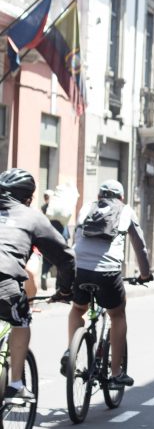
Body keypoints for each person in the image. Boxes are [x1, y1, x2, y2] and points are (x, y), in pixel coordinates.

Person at [63, 180, 152, 389]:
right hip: (108, 273)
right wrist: (145, 274)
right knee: (117, 314)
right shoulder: (126, 211)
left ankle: (71, 352)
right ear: (121, 198)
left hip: (80, 269)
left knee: (78, 308)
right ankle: (115, 374)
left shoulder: (87, 208)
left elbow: (76, 237)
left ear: (99, 196)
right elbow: (140, 247)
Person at [0, 169, 75, 402]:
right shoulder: (32, 217)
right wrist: (64, 290)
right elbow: (66, 258)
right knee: (21, 319)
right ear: (29, 198)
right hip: (4, 281)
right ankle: (15, 385)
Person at [40, 189, 69, 291]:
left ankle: (44, 274)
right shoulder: (60, 207)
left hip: (49, 236)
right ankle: (58, 286)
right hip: (61, 237)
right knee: (61, 262)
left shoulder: (44, 208)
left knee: (46, 259)